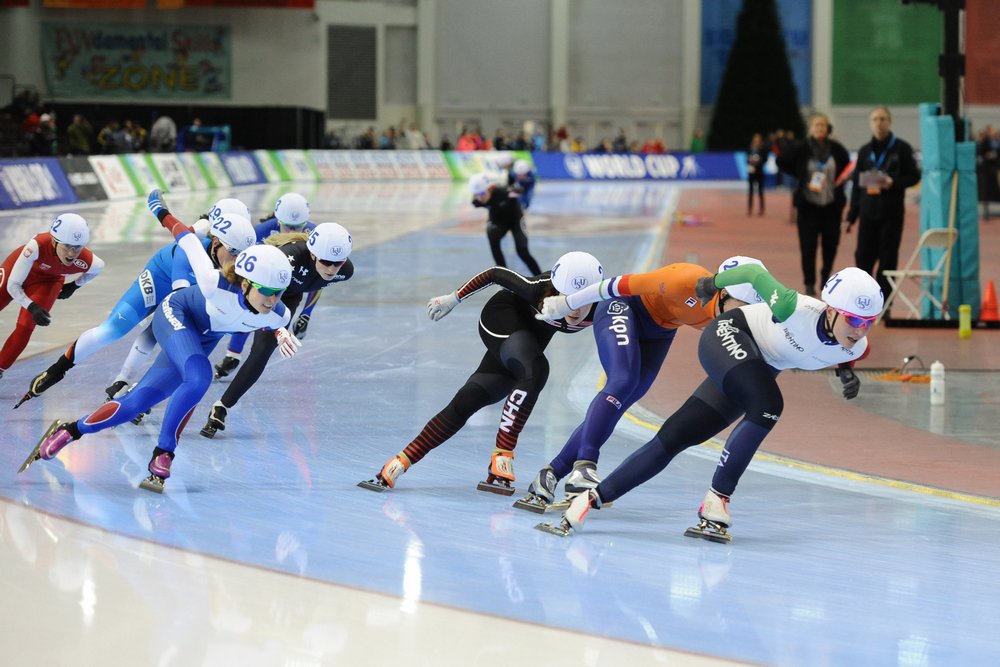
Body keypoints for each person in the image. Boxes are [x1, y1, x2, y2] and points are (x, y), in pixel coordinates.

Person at [538, 265, 881, 542]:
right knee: (767, 405)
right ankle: (717, 500)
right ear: (832, 310)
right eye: (854, 320)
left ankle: (591, 498)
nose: (861, 330)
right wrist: (710, 283)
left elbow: (842, 350)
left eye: (869, 322)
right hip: (730, 336)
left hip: (754, 366)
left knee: (677, 435)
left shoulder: (856, 347)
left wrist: (846, 371)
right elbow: (752, 273)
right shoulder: (792, 306)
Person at [18, 191, 298, 493]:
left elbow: (275, 322)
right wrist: (160, 210)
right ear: (245, 282)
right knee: (200, 374)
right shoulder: (212, 283)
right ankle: (163, 454)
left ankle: (71, 430)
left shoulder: (278, 314)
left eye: (278, 292)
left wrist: (282, 332)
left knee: (137, 403)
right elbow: (187, 239)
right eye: (266, 290)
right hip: (176, 313)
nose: (272, 299)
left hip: (200, 339)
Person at [518, 256, 765, 512]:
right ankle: (585, 467)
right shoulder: (684, 279)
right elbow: (612, 286)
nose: (741, 315)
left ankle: (550, 474)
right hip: (622, 305)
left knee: (625, 398)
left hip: (660, 332)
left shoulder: (743, 315)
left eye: (750, 309)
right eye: (741, 306)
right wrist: (567, 303)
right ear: (723, 292)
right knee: (622, 381)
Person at [358, 252, 604, 495]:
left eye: (583, 299)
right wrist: (453, 298)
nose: (575, 307)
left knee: (471, 398)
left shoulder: (603, 307)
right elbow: (495, 274)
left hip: (526, 345)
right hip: (502, 318)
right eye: (567, 296)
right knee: (536, 370)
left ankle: (400, 462)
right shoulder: (538, 288)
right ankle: (503, 454)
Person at [16, 199, 255, 406]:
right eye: (233, 250)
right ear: (216, 239)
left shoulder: (243, 254)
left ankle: (126, 381)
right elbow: (179, 296)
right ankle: (58, 370)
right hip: (162, 276)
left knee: (170, 336)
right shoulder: (191, 247)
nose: (238, 260)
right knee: (112, 331)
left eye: (243, 252)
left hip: (187, 289)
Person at [198, 222, 355, 438]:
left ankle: (222, 407)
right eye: (327, 262)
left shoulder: (345, 272)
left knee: (262, 351)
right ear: (312, 255)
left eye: (337, 263)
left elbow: (317, 285)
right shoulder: (288, 258)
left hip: (286, 298)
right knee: (222, 327)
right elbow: (248, 278)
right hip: (259, 289)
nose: (331, 269)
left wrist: (306, 314)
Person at [212, 192, 320, 380]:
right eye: (287, 226)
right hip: (267, 280)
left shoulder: (316, 235)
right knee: (249, 307)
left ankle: (235, 355)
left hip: (293, 284)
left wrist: (306, 314)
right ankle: (233, 354)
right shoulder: (259, 232)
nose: (292, 231)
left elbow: (318, 282)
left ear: (306, 223)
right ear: (278, 221)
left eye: (298, 227)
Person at [0, 214, 104, 382]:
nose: (71, 253)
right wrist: (31, 306)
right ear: (54, 242)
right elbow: (13, 285)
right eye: (67, 246)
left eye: (77, 247)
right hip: (16, 272)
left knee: (26, 326)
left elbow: (98, 269)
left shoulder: (89, 261)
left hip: (48, 282)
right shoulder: (36, 246)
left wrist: (74, 286)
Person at [845, 105, 921, 303]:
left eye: (883, 119)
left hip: (891, 215)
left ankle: (885, 303)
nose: (879, 123)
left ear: (890, 122)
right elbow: (856, 186)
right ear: (871, 123)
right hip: (868, 214)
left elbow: (914, 176)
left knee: (888, 259)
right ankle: (863, 301)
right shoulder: (864, 151)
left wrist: (893, 182)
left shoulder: (902, 149)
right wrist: (851, 216)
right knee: (863, 258)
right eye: (875, 119)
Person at [777, 113, 851, 296]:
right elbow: (781, 161)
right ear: (811, 128)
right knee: (808, 247)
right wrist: (799, 176)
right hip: (808, 207)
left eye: (823, 126)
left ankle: (826, 277)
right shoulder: (801, 147)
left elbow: (848, 168)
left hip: (831, 206)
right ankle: (809, 283)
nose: (820, 129)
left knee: (831, 245)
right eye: (816, 125)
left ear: (828, 129)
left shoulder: (837, 149)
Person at [469, 172, 542, 276]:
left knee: (522, 251)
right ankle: (504, 277)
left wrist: (516, 188)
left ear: (491, 188)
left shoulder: (504, 192)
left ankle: (540, 277)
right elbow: (479, 201)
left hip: (515, 220)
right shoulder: (477, 200)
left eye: (481, 194)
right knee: (492, 235)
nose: (480, 198)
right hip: (499, 222)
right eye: (476, 195)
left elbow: (521, 191)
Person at [747, 133, 769, 216]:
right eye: (755, 139)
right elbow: (747, 158)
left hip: (760, 172)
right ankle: (749, 208)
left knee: (760, 191)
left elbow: (766, 159)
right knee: (750, 191)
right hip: (751, 171)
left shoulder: (763, 148)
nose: (756, 140)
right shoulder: (750, 147)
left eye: (758, 139)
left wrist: (759, 161)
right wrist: (750, 160)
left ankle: (762, 209)